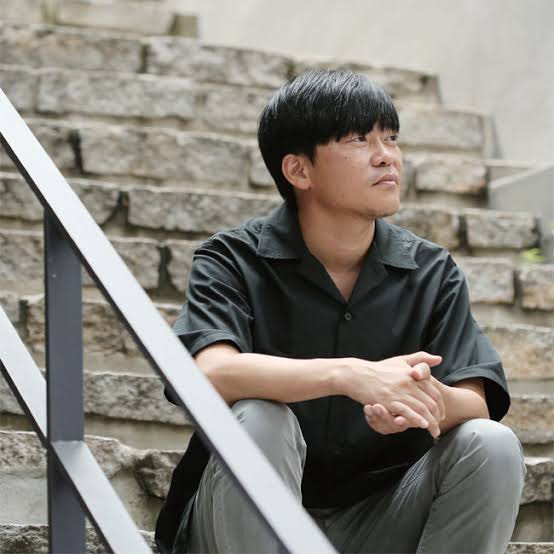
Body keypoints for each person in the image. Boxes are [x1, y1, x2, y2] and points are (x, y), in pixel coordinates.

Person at [155, 69, 526, 554]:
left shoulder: (431, 270)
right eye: (358, 139)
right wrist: (349, 376)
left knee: (491, 444)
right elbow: (209, 373)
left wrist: (417, 399)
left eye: (390, 138)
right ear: (298, 171)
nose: (386, 155)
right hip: (240, 520)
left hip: (379, 522)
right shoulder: (232, 259)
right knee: (262, 417)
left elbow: (475, 402)